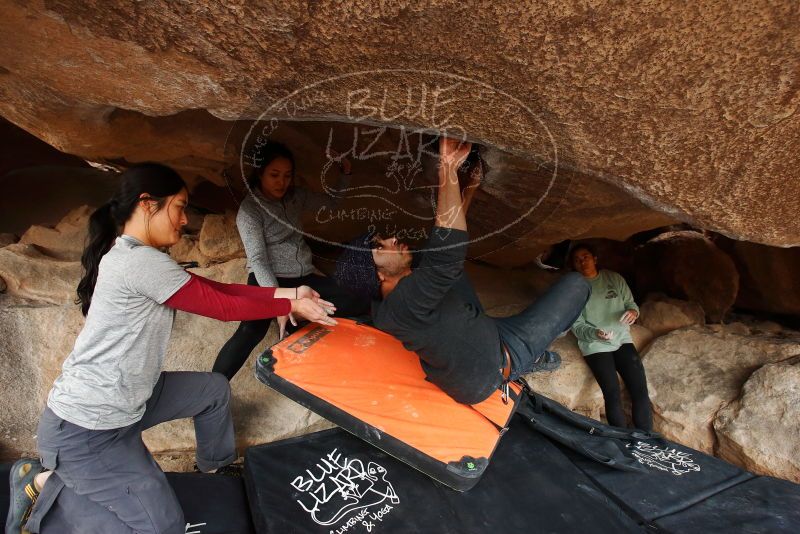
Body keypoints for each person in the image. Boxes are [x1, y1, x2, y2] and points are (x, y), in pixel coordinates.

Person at [6, 163, 337, 534]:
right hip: (88, 429)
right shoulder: (138, 261)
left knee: (212, 390)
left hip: (130, 400)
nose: (184, 220)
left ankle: (214, 466)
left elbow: (218, 292)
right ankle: (44, 486)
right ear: (147, 205)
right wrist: (288, 304)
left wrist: (290, 293)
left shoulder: (142, 258)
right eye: (179, 207)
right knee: (163, 526)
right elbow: (223, 308)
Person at [334, 136, 591, 405]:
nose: (391, 239)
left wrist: (469, 188)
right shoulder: (404, 304)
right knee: (577, 284)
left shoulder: (390, 300)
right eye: (380, 247)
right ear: (379, 275)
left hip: (481, 333)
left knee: (441, 264)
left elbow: (443, 245)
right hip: (496, 362)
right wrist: (448, 167)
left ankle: (525, 350)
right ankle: (529, 358)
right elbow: (449, 250)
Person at [213, 141, 368, 380]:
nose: (281, 182)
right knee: (250, 331)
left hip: (303, 277)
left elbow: (332, 202)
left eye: (287, 175)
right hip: (269, 280)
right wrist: (278, 303)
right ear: (260, 173)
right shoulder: (251, 211)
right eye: (274, 175)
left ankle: (299, 327)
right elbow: (258, 260)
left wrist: (345, 172)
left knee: (354, 296)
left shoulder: (295, 197)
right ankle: (212, 388)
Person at [569, 244, 653, 431]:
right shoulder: (574, 289)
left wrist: (633, 312)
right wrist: (596, 333)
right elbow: (577, 326)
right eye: (577, 259)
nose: (582, 262)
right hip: (595, 345)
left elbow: (631, 304)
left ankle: (648, 439)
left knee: (639, 391)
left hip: (622, 339)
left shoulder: (613, 278)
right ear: (574, 265)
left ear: (595, 259)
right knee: (612, 393)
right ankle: (622, 440)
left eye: (585, 256)